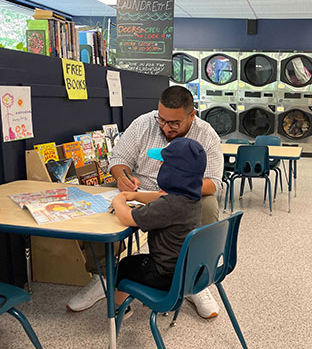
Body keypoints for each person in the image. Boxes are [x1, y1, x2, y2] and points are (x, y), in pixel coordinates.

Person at [66, 86, 223, 319]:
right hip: (139, 189)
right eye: (161, 119)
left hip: (181, 193)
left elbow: (213, 183)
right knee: (100, 196)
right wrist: (122, 178)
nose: (165, 127)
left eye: (174, 123)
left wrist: (176, 189)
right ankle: (103, 275)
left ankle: (195, 278)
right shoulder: (143, 123)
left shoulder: (207, 134)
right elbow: (118, 159)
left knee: (208, 204)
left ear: (192, 116)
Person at [112, 137, 207, 318]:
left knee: (125, 265)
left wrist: (119, 200)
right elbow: (161, 199)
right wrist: (135, 196)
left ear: (172, 172)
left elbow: (126, 217)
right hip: (187, 271)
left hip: (165, 275)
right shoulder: (191, 198)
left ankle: (119, 308)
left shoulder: (169, 206)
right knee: (137, 261)